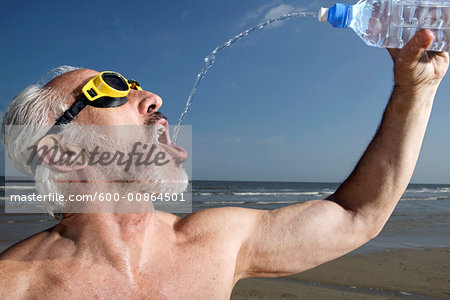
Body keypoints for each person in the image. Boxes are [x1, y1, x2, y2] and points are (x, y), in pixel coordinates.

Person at [0, 29, 447, 299]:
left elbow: (355, 217)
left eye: (136, 84)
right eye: (110, 88)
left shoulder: (214, 242)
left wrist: (416, 90)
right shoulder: (13, 286)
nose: (153, 97)